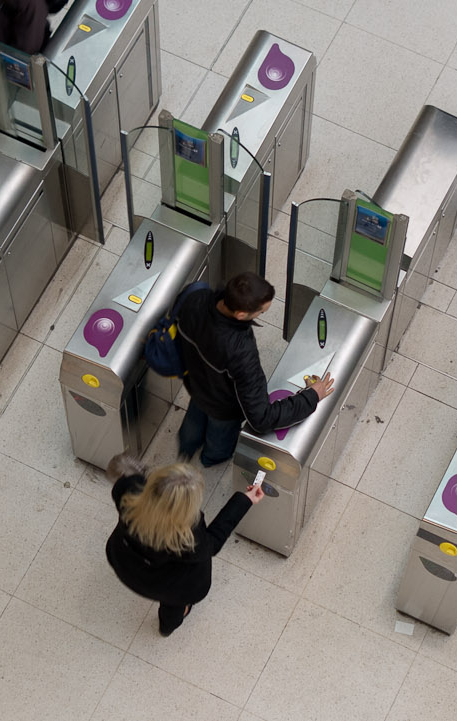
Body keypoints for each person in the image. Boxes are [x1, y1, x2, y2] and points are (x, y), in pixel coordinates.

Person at [172, 272, 330, 467]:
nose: (260, 315)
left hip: (196, 385)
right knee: (219, 440)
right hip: (223, 408)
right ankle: (210, 459)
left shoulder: (195, 297)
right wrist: (311, 396)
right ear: (240, 314)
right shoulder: (240, 352)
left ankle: (186, 448)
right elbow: (261, 418)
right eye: (260, 312)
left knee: (193, 422)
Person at [104, 456, 264, 636]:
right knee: (174, 605)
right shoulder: (187, 537)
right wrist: (245, 500)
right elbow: (213, 543)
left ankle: (168, 625)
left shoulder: (129, 491)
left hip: (124, 562)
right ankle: (166, 627)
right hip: (166, 587)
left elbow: (123, 471)